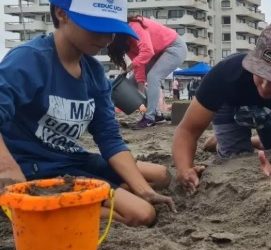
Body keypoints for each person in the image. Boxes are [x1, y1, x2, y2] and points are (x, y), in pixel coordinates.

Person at [0, 0, 175, 227]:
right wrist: (8, 173)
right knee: (141, 214)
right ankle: (54, 204)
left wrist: (144, 190)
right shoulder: (29, 60)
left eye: (112, 29)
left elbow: (109, 138)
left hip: (72, 158)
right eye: (96, 27)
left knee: (160, 176)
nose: (107, 38)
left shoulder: (93, 72)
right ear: (62, 14)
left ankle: (104, 193)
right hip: (33, 166)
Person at [172, 20, 271, 193]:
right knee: (234, 158)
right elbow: (187, 130)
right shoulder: (227, 73)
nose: (265, 86)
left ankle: (251, 140)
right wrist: (184, 169)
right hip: (232, 106)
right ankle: (224, 141)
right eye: (260, 72)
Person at [108, 16, 187, 129]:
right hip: (158, 53)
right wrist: (139, 86)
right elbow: (140, 65)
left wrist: (129, 67)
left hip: (174, 47)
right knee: (133, 80)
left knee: (154, 76)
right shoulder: (127, 44)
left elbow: (147, 51)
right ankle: (157, 115)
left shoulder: (134, 26)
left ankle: (150, 118)